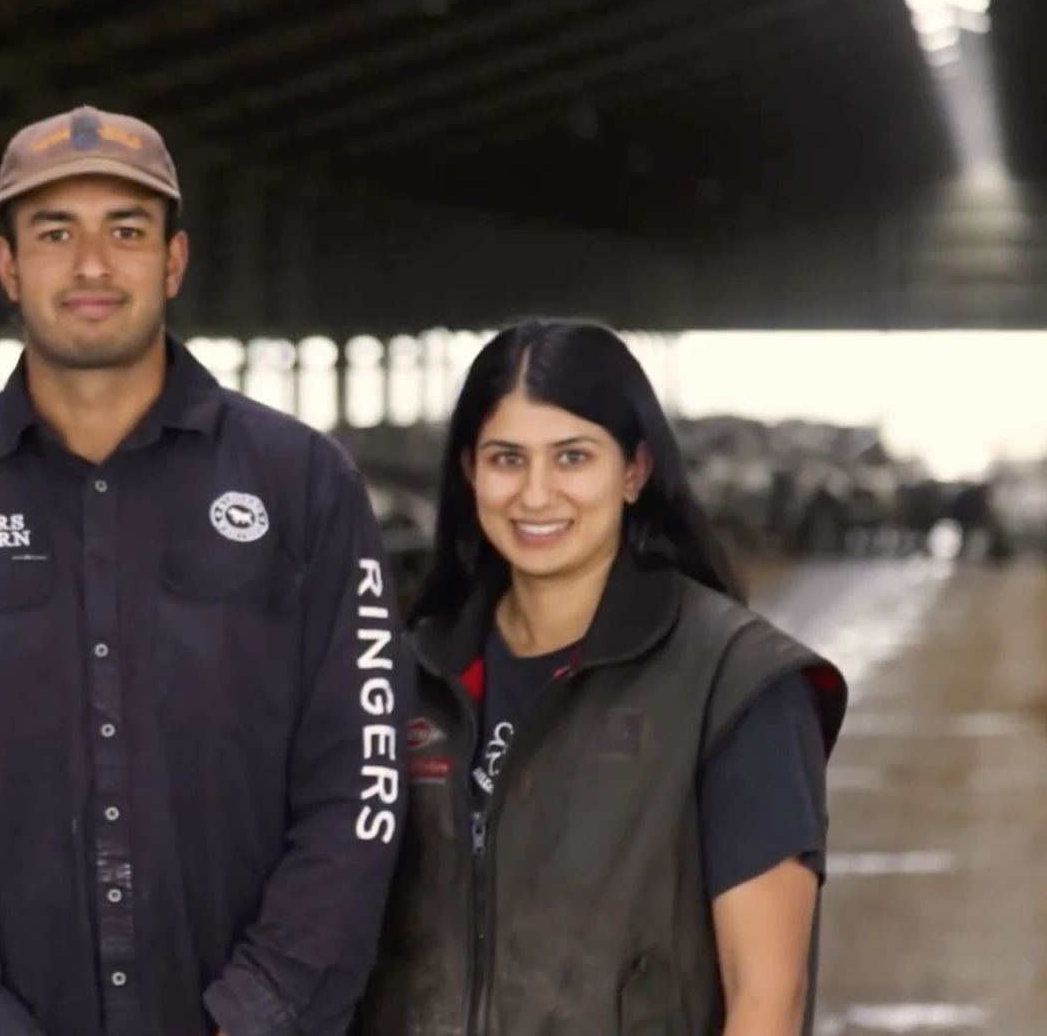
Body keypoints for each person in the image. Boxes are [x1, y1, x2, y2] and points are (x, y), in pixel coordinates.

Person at [0, 104, 406, 1036]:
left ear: (173, 260)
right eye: (55, 233)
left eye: (125, 231)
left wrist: (266, 1007)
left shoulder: (305, 486)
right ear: (7, 265)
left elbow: (362, 781)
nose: (91, 264)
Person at [356, 318, 848, 1036]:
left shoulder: (736, 685)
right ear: (469, 471)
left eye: (573, 457)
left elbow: (766, 997)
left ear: (634, 470)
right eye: (506, 458)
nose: (535, 494)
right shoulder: (402, 677)